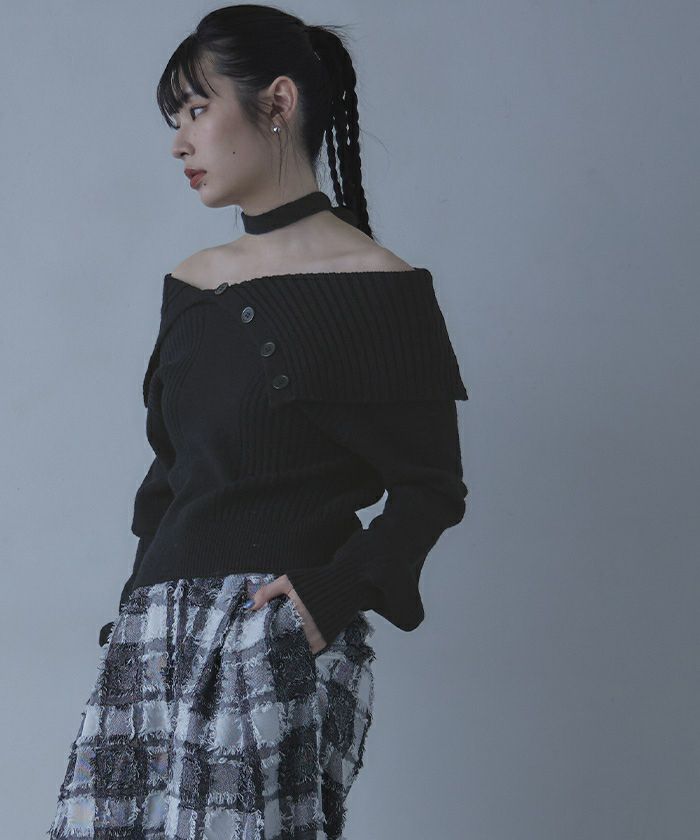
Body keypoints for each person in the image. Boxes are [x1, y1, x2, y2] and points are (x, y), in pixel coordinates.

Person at [47, 5, 469, 839]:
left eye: (196, 110)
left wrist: (328, 598)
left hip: (270, 633)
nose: (179, 143)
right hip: (152, 636)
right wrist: (133, 617)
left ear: (277, 102)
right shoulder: (192, 284)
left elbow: (432, 489)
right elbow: (170, 478)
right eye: (175, 120)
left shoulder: (382, 289)